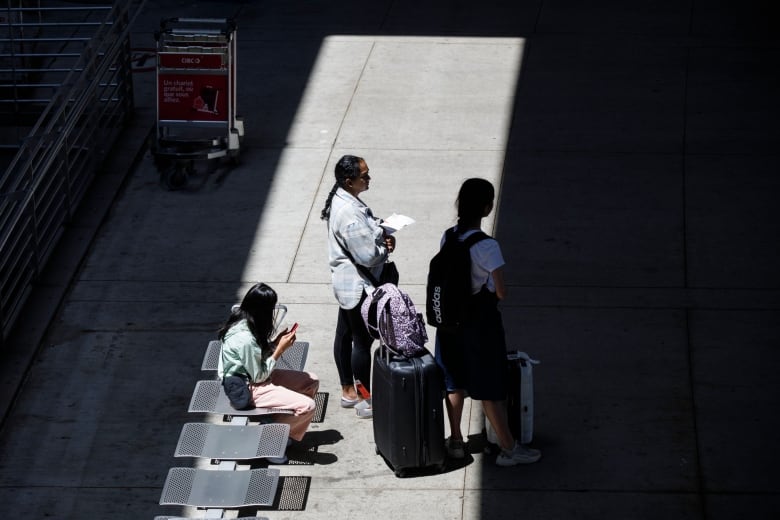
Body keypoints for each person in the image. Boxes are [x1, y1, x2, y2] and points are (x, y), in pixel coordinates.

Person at [434, 178, 542, 466]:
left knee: (453, 383)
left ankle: (456, 441)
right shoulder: (488, 246)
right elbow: (501, 291)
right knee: (489, 387)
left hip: (449, 323)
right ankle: (509, 448)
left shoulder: (448, 236)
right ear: (487, 206)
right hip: (479, 325)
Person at [320, 155, 396, 418]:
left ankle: (348, 391)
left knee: (344, 335)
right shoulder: (349, 214)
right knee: (362, 343)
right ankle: (365, 401)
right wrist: (383, 246)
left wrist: (378, 232)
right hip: (358, 286)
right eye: (364, 175)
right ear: (349, 181)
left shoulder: (343, 198)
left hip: (346, 286)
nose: (369, 178)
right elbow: (369, 256)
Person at [217, 282, 319, 463]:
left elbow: (258, 359)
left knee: (310, 382)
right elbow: (259, 376)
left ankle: (275, 426)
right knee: (307, 406)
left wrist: (274, 344)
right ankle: (271, 442)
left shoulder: (247, 322)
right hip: (249, 385)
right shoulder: (244, 337)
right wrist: (279, 349)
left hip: (256, 376)